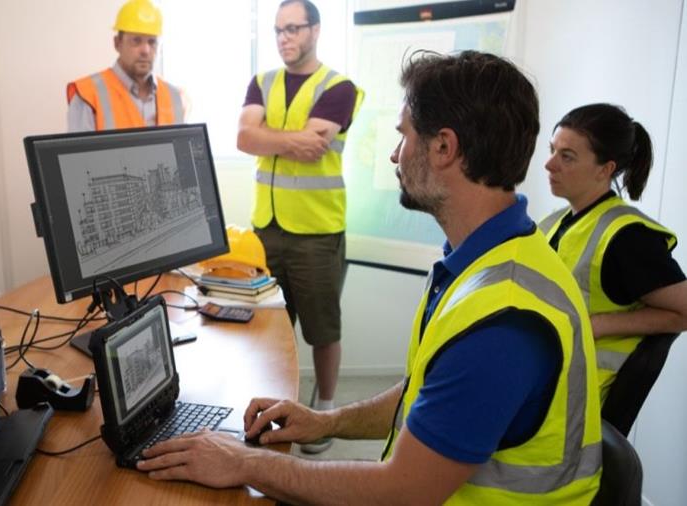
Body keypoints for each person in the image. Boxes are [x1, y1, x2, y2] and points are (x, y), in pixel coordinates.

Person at [137, 50, 603, 505]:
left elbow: (402, 491)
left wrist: (245, 463)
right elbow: (429, 395)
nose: (396, 155)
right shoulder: (491, 259)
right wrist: (327, 422)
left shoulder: (502, 321)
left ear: (444, 147)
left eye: (404, 137)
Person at [236, 0, 363, 453]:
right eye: (278, 30)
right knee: (269, 329)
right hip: (265, 230)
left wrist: (266, 137)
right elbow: (243, 137)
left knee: (322, 330)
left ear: (316, 30)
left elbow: (313, 147)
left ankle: (324, 411)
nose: (284, 38)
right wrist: (287, 140)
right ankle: (274, 407)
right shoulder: (262, 81)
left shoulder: (339, 88)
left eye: (293, 28)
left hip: (316, 231)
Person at [540, 103, 687, 402]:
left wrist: (597, 325)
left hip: (575, 403)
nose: (549, 164)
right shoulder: (554, 223)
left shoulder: (627, 237)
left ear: (605, 169)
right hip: (544, 383)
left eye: (566, 156)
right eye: (552, 150)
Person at [66, 0, 185, 132]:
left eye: (152, 42)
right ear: (117, 43)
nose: (145, 50)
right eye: (136, 40)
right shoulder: (88, 94)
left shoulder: (175, 97)